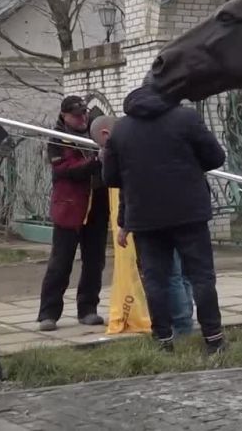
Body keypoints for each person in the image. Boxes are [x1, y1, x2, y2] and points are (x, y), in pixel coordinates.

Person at [101, 81, 227, 354]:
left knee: (156, 280)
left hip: (146, 218)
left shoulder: (120, 130)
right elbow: (216, 157)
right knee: (202, 277)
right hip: (189, 212)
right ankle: (214, 339)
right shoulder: (186, 118)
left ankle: (164, 341)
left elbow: (110, 178)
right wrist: (189, 167)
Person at [91, 116, 194, 336]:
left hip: (156, 216)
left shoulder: (127, 143)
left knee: (170, 275)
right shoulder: (168, 132)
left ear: (106, 135)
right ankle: (186, 320)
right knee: (184, 273)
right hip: (185, 210)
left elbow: (125, 187)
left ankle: (182, 326)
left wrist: (125, 224)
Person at [37, 95, 109, 331]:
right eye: (77, 115)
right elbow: (64, 170)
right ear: (65, 115)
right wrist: (94, 162)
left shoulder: (96, 132)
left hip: (97, 204)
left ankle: (88, 309)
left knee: (94, 261)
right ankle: (48, 314)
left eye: (84, 114)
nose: (82, 118)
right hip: (70, 207)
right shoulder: (57, 139)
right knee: (60, 263)